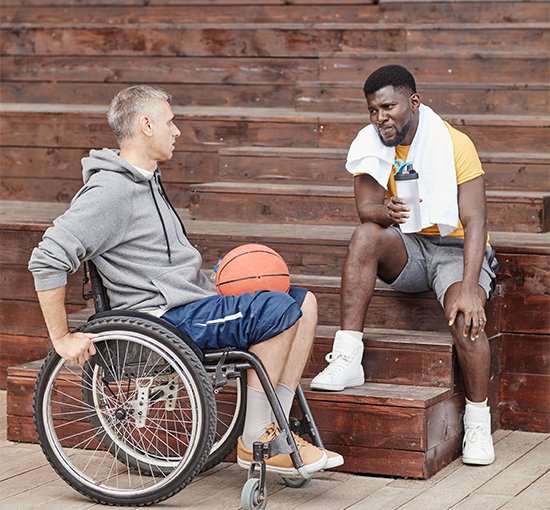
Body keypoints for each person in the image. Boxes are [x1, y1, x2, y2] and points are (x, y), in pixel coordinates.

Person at [28, 85, 343, 476]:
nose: (176, 131)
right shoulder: (111, 191)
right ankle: (255, 440)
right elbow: (47, 257)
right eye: (170, 122)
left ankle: (272, 430)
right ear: (146, 125)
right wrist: (61, 338)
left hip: (188, 307)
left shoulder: (146, 180)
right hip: (162, 319)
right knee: (276, 310)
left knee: (302, 302)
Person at [311, 65, 497, 466]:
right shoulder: (370, 143)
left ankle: (478, 421)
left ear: (413, 102)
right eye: (373, 110)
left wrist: (469, 287)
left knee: (464, 314)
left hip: (455, 249)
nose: (380, 118)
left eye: (388, 107)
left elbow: (476, 221)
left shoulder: (454, 143)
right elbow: (366, 209)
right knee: (366, 234)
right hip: (410, 246)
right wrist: (387, 211)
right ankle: (347, 357)